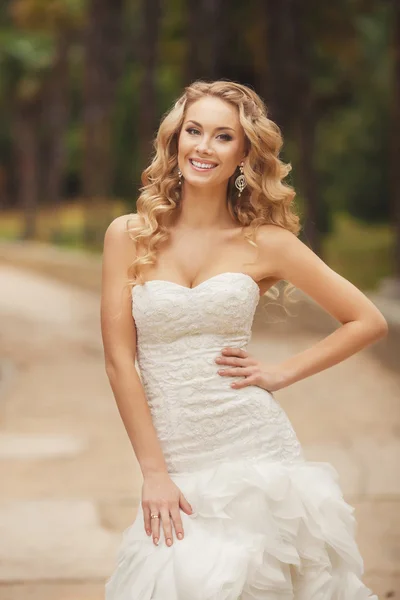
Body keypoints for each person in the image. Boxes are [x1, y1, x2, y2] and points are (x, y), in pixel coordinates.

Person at [101, 80, 386, 599]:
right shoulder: (128, 235)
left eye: (222, 136)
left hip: (255, 451)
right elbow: (121, 362)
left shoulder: (268, 243)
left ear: (245, 155)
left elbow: (367, 320)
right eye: (194, 131)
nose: (203, 147)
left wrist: (280, 373)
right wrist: (154, 473)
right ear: (175, 139)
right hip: (178, 461)